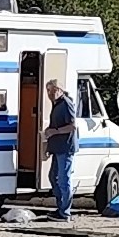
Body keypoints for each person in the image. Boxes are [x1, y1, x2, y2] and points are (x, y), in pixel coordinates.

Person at [46, 78, 81, 213]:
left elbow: (72, 126)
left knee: (63, 179)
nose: (49, 94)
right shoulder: (56, 104)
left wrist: (55, 131)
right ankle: (60, 206)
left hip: (65, 147)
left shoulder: (66, 103)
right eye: (48, 91)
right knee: (53, 176)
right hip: (57, 147)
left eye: (51, 90)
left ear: (59, 90)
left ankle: (65, 211)